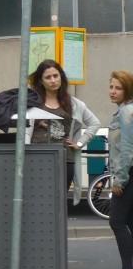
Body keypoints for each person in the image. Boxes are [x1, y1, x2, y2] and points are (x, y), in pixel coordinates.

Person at [26, 59, 100, 200]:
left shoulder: (75, 104)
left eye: (56, 75)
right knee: (37, 201)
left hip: (65, 159)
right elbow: (26, 131)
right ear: (41, 81)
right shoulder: (33, 103)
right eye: (48, 77)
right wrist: (25, 155)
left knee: (58, 202)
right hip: (37, 158)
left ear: (61, 77)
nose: (53, 80)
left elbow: (95, 123)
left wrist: (79, 144)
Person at [106, 70, 133, 269]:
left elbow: (127, 150)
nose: (113, 91)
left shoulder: (126, 113)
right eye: (111, 86)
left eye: (118, 88)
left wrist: (120, 180)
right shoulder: (124, 112)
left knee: (116, 221)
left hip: (128, 174)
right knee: (130, 221)